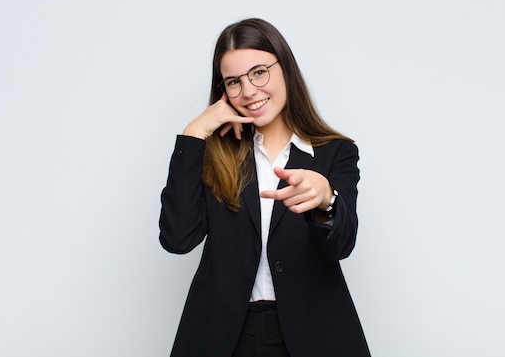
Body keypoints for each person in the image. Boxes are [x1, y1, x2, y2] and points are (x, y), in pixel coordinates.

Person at [159, 18, 371, 357]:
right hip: (225, 335)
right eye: (233, 82)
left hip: (313, 332)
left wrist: (325, 200)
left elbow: (341, 246)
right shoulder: (213, 153)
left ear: (285, 68)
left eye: (259, 72)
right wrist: (194, 133)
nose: (249, 92)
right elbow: (178, 239)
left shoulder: (335, 152)